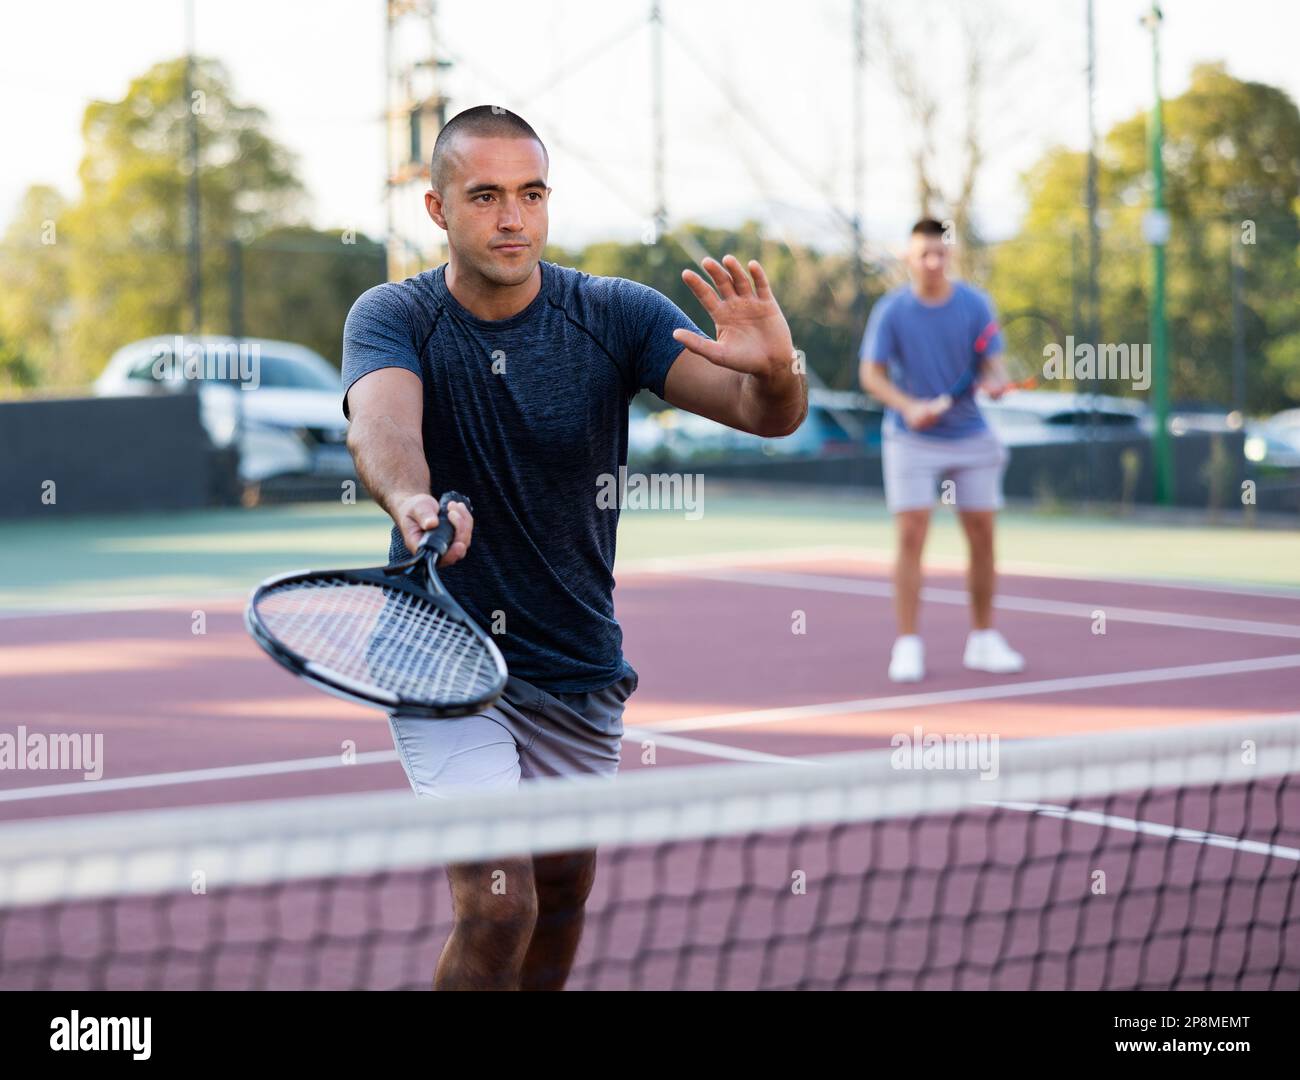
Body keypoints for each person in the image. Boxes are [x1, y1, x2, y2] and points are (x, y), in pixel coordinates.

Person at [341, 105, 806, 989]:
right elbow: (382, 423)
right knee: (499, 903)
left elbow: (764, 417)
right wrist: (411, 496)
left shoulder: (615, 314)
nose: (511, 217)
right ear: (438, 209)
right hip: (438, 647)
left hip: (575, 653)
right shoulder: (392, 314)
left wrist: (779, 370)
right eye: (484, 196)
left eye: (530, 193)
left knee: (560, 893)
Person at [858, 218, 1025, 683]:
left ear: (949, 256)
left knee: (983, 536)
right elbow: (871, 375)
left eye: (940, 253)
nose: (933, 261)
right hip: (911, 439)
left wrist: (995, 382)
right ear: (909, 259)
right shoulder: (891, 311)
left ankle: (984, 639)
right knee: (911, 536)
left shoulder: (975, 304)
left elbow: (991, 361)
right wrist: (909, 407)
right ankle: (908, 645)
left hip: (972, 434)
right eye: (923, 254)